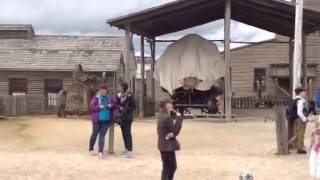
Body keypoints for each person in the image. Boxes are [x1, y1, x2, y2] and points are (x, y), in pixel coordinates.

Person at [157, 98, 183, 180]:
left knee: (167, 167)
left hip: (163, 144)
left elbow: (171, 131)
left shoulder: (161, 115)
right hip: (167, 146)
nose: (172, 105)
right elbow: (175, 131)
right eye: (170, 103)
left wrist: (172, 134)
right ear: (167, 105)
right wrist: (179, 118)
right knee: (171, 167)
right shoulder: (167, 117)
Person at [89, 84, 117, 159]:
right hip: (97, 120)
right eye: (101, 91)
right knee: (94, 134)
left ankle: (100, 151)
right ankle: (91, 148)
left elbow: (115, 105)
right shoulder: (96, 98)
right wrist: (98, 107)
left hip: (106, 120)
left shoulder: (110, 97)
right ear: (99, 91)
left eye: (104, 91)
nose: (103, 92)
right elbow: (91, 107)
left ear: (106, 91)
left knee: (102, 136)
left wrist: (110, 105)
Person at [117, 82, 136, 158]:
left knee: (127, 133)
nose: (119, 88)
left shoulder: (130, 95)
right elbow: (118, 104)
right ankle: (126, 149)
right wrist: (119, 108)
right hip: (121, 117)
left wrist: (125, 109)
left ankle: (130, 151)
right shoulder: (119, 95)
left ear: (123, 87)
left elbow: (134, 106)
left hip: (128, 117)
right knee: (124, 133)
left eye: (120, 87)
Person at [289, 87, 309, 154]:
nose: (305, 93)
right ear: (300, 92)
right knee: (300, 134)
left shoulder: (295, 99)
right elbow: (299, 112)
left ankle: (295, 146)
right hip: (300, 119)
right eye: (304, 92)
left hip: (296, 119)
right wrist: (304, 119)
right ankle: (298, 148)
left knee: (297, 133)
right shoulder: (300, 100)